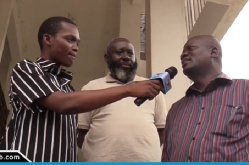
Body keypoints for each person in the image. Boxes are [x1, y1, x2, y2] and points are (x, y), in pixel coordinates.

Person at [0, 16, 163, 162]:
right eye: (70, 40)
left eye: (78, 43)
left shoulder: (67, 88)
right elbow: (61, 104)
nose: (76, 47)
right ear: (48, 39)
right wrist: (128, 90)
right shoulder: (26, 69)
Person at [161, 35, 249, 162]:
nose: (183, 54)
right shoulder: (176, 110)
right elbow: (167, 158)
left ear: (213, 52)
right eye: (182, 52)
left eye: (190, 48)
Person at [77, 37, 167, 162]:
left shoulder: (151, 87)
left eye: (130, 53)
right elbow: (81, 132)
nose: (126, 57)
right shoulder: (91, 88)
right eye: (119, 53)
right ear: (107, 58)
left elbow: (161, 130)